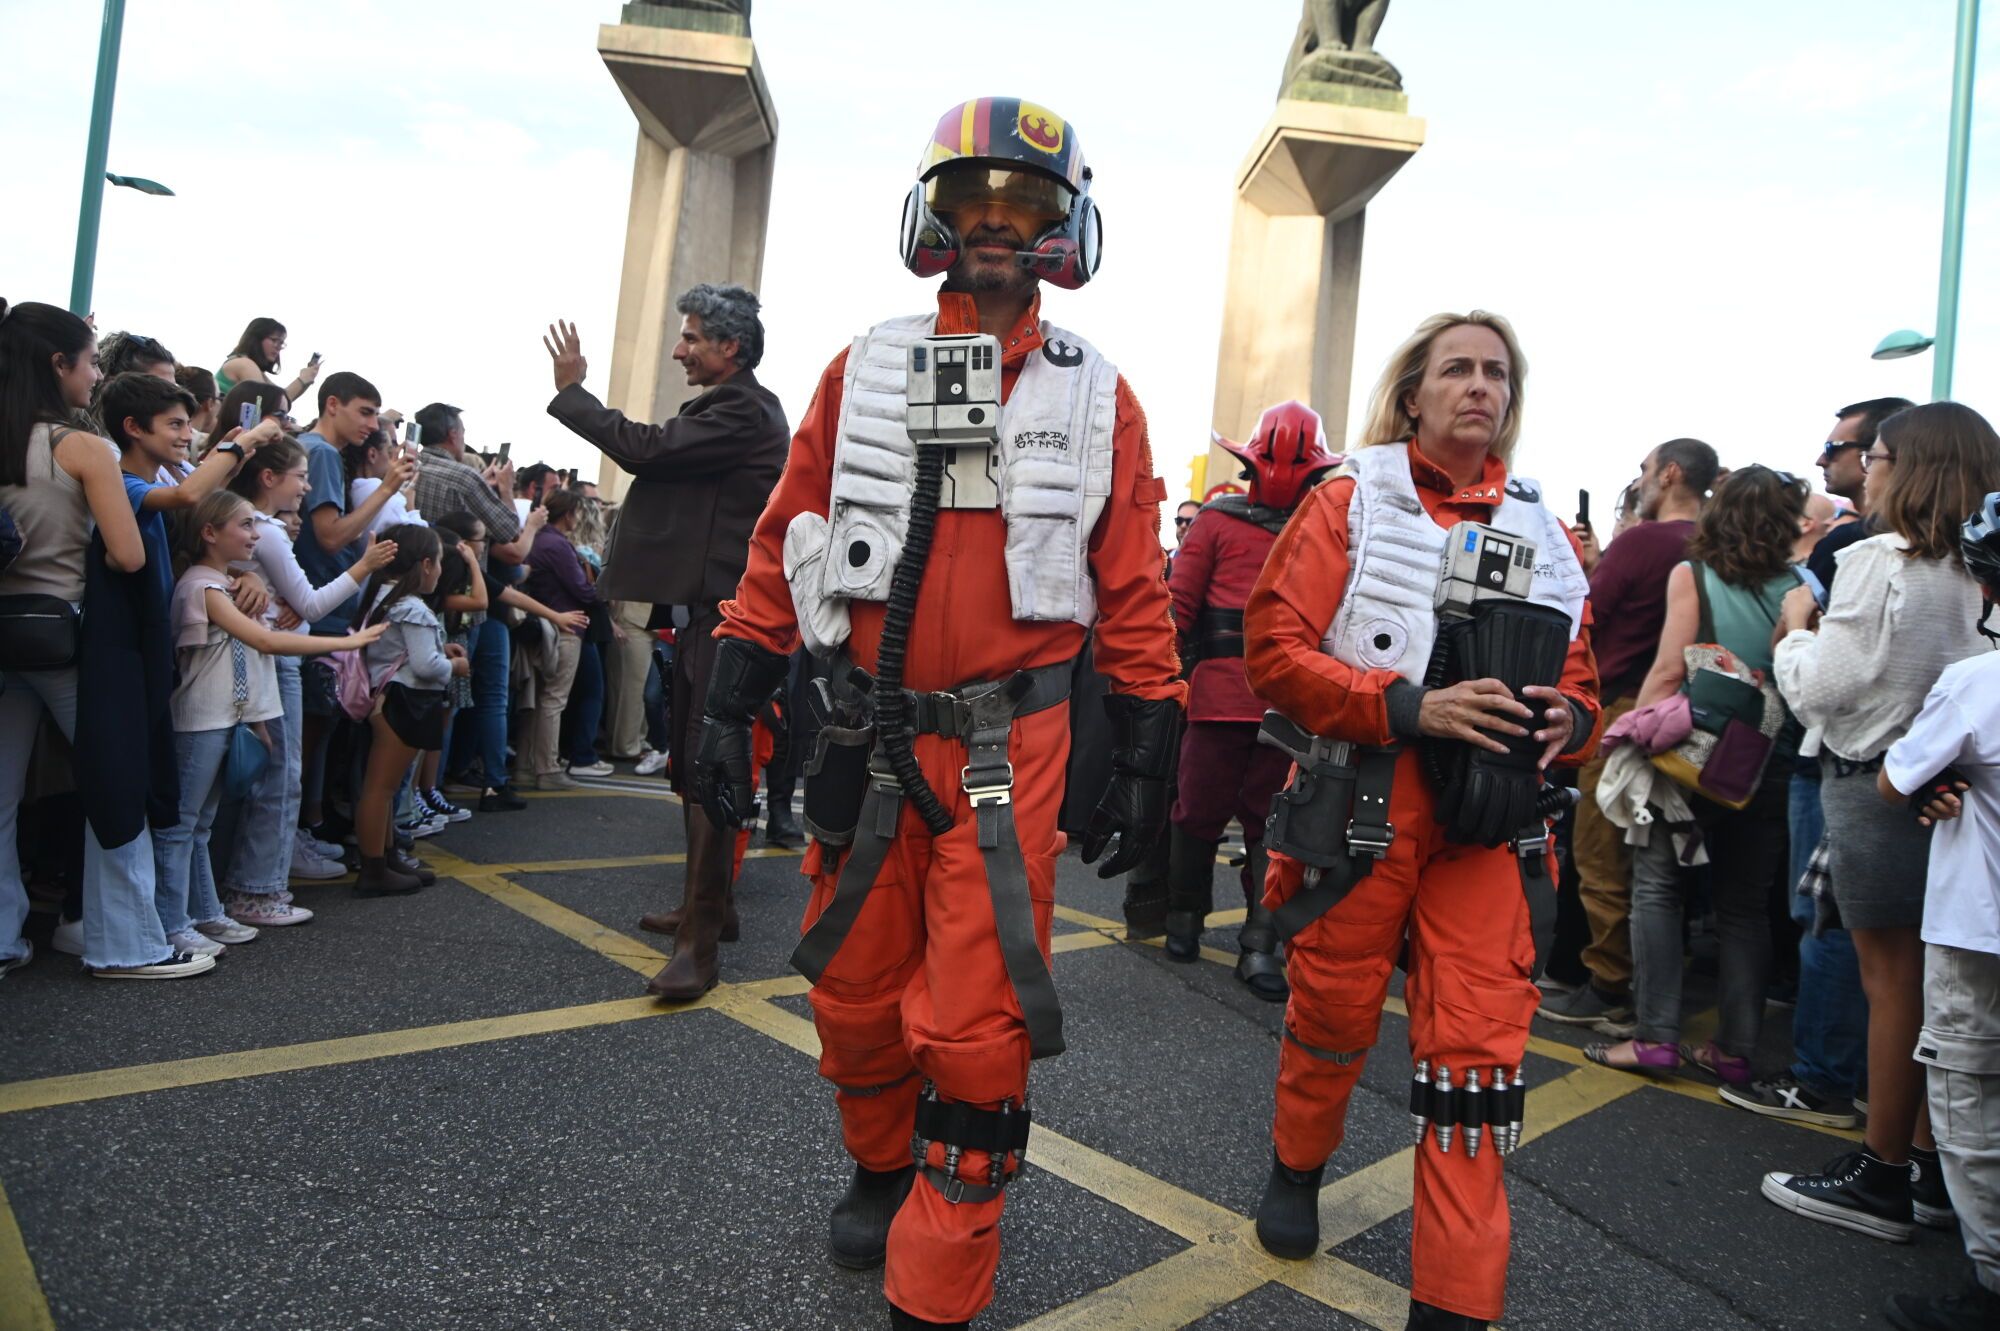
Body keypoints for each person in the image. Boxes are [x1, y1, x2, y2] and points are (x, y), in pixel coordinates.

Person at [696, 98, 1183, 1330]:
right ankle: (877, 1158)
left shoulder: (1099, 395)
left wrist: (1148, 739)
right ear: (935, 219)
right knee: (852, 992)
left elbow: (1132, 582)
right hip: (864, 729)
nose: (995, 223)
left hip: (1010, 748)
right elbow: (787, 531)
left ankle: (937, 1288)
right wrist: (732, 688)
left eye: (1023, 203)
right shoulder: (864, 365)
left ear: (1061, 228)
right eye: (972, 200)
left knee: (976, 1024)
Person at [1241, 310, 1598, 1330]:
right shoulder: (1349, 497)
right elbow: (1274, 651)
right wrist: (1407, 707)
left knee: (1476, 1066)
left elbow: (1583, 683)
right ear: (1412, 395)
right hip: (1362, 806)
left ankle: (1454, 1302)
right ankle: (1297, 1165)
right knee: (1330, 1015)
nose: (1480, 386)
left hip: (1492, 824)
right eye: (1458, 369)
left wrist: (1567, 720)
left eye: (1496, 372)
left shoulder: (1544, 529)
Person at [1762, 402, 2000, 1242]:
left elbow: (1825, 688)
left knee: (1891, 983)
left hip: (1876, 783)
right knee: (1941, 987)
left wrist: (1794, 634)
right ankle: (1935, 1168)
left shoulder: (1879, 560)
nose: (1868, 472)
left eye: (1877, 457)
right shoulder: (1977, 570)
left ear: (1909, 468)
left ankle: (1882, 1171)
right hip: (1959, 792)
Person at [542, 282, 790, 995]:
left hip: (727, 614)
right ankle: (711, 907)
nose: (679, 350)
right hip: (704, 611)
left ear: (730, 347)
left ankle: (699, 945)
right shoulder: (732, 406)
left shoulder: (744, 407)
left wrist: (573, 394)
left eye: (690, 338)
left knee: (708, 768)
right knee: (692, 764)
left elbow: (644, 449)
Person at [1583, 466, 1803, 1085]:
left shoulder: (1694, 575)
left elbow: (1668, 670)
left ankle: (1654, 1037)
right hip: (1767, 758)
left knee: (1657, 888)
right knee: (1743, 908)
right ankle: (1734, 1049)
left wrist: (1636, 737)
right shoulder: (1800, 587)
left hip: (1696, 752)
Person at [0, 301, 192, 979]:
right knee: (116, 782)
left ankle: (3, 938)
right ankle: (129, 944)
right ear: (59, 364)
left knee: (1, 797)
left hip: (5, 636)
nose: (96, 375)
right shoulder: (81, 447)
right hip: (71, 636)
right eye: (89, 362)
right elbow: (128, 554)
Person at [1871, 491, 2000, 1330]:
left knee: (1971, 1102)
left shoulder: (1978, 682)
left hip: (1979, 924)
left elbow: (1896, 779)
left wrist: (1935, 781)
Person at [1162, 400, 1340, 997]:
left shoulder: (1327, 528)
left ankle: (1257, 941)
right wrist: (1161, 682)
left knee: (1273, 826)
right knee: (1200, 813)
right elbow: (1178, 609)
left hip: (1290, 707)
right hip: (1220, 701)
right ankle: (1187, 917)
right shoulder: (1217, 522)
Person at [156, 491, 385, 946]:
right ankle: (173, 925)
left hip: (220, 719)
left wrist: (257, 722)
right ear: (209, 533)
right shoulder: (204, 586)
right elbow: (266, 643)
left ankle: (204, 914)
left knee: (198, 827)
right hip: (200, 720)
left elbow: (248, 660)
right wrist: (346, 643)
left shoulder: (223, 582)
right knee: (182, 826)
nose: (255, 535)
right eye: (245, 526)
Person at [1539, 438, 1713, 1036]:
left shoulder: (1643, 541)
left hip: (1622, 709)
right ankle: (1642, 985)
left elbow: (1587, 613)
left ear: (1669, 474)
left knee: (1600, 853)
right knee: (1658, 865)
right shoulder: (1712, 543)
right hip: (1684, 717)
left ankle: (1607, 984)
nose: (1638, 482)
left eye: (1644, 470)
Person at [226, 436, 399, 885]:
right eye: (301, 478)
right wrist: (364, 565)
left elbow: (298, 602)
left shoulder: (257, 525)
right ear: (269, 478)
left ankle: (263, 878)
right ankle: (260, 887)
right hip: (276, 660)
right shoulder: (265, 529)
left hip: (272, 655)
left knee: (278, 776)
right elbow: (312, 603)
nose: (307, 487)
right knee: (282, 779)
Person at [293, 372, 412, 844]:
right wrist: (387, 489)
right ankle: (300, 833)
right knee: (309, 733)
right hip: (320, 606)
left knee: (316, 731)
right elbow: (329, 536)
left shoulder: (317, 450)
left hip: (320, 605)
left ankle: (310, 824)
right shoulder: (321, 452)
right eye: (364, 412)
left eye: (375, 414)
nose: (372, 424)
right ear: (332, 404)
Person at [352, 524, 462, 895]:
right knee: (380, 789)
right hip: (403, 702)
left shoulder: (383, 596)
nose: (442, 571)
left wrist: (439, 652)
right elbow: (426, 666)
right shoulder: (412, 607)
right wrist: (455, 666)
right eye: (440, 562)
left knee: (383, 789)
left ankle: (386, 858)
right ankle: (373, 869)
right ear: (426, 564)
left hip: (389, 698)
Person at [519, 488, 598, 790]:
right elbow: (583, 590)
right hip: (565, 625)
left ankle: (526, 766)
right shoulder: (558, 544)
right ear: (568, 514)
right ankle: (547, 769)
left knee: (535, 699)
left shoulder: (538, 540)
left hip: (540, 624)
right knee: (553, 699)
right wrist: (596, 584)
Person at [1807, 397, 1914, 594]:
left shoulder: (1847, 544)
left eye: (1832, 448)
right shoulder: (1946, 539)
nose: (1820, 460)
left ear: (1875, 453)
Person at [217, 317, 319, 403]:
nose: (278, 347)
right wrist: (302, 380)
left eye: (281, 343)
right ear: (256, 339)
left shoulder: (252, 368)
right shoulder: (243, 364)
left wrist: (307, 380)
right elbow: (270, 404)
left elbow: (284, 398)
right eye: (274, 340)